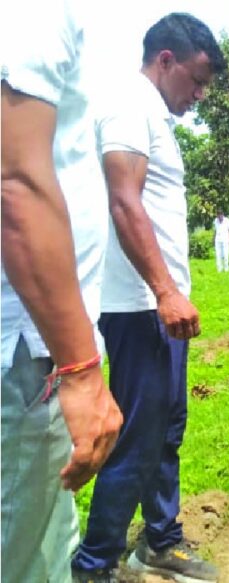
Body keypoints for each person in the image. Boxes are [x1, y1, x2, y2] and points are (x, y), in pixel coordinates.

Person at [70, 14, 226, 583]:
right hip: (139, 307)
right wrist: (164, 291)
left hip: (156, 307)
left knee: (166, 428)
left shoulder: (150, 113)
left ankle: (160, 540)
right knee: (138, 436)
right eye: (197, 80)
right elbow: (124, 201)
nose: (200, 95)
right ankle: (95, 564)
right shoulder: (130, 103)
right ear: (166, 60)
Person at [1, 4, 123, 581]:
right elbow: (15, 183)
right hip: (30, 350)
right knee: (24, 558)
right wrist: (79, 367)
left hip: (33, 343)